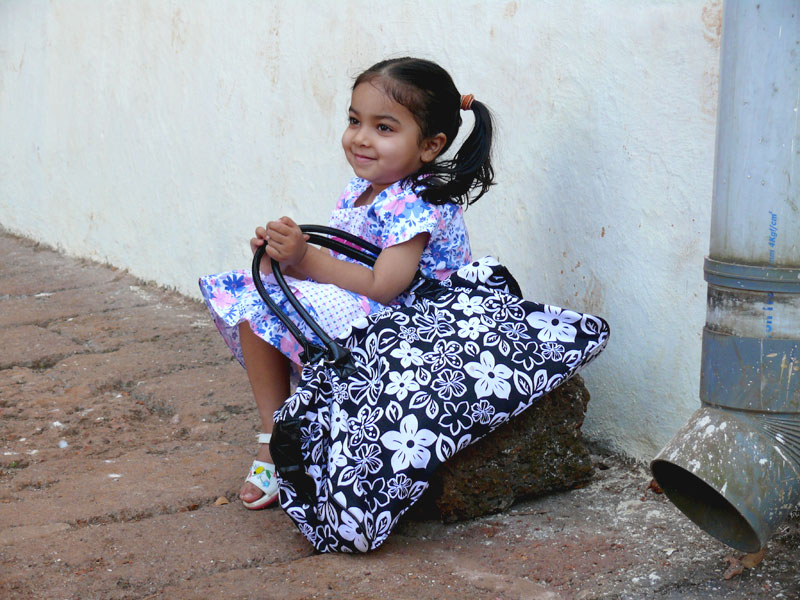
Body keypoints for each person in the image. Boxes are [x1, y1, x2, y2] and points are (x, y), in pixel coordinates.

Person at [199, 57, 495, 509]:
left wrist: (305, 257)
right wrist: (285, 259)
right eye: (355, 121)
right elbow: (343, 264)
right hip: (377, 310)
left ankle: (282, 443)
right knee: (257, 297)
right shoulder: (362, 190)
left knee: (269, 305)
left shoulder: (417, 201)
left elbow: (383, 285)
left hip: (418, 329)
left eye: (384, 128)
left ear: (431, 145)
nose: (360, 137)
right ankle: (275, 434)